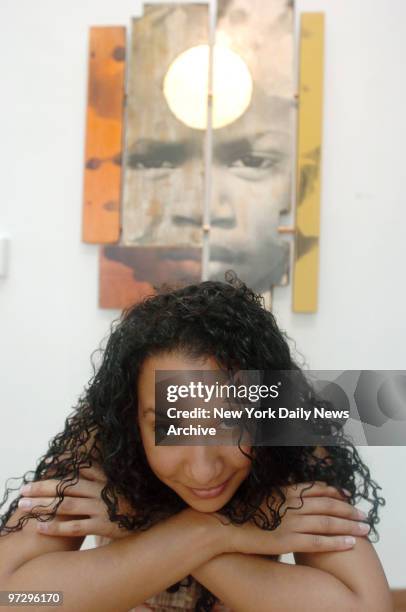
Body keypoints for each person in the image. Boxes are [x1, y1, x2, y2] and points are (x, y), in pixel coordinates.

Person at [0, 276, 392, 611]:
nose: (203, 470)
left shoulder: (290, 433)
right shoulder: (104, 438)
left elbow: (367, 607)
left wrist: (144, 524)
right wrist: (229, 530)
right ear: (132, 415)